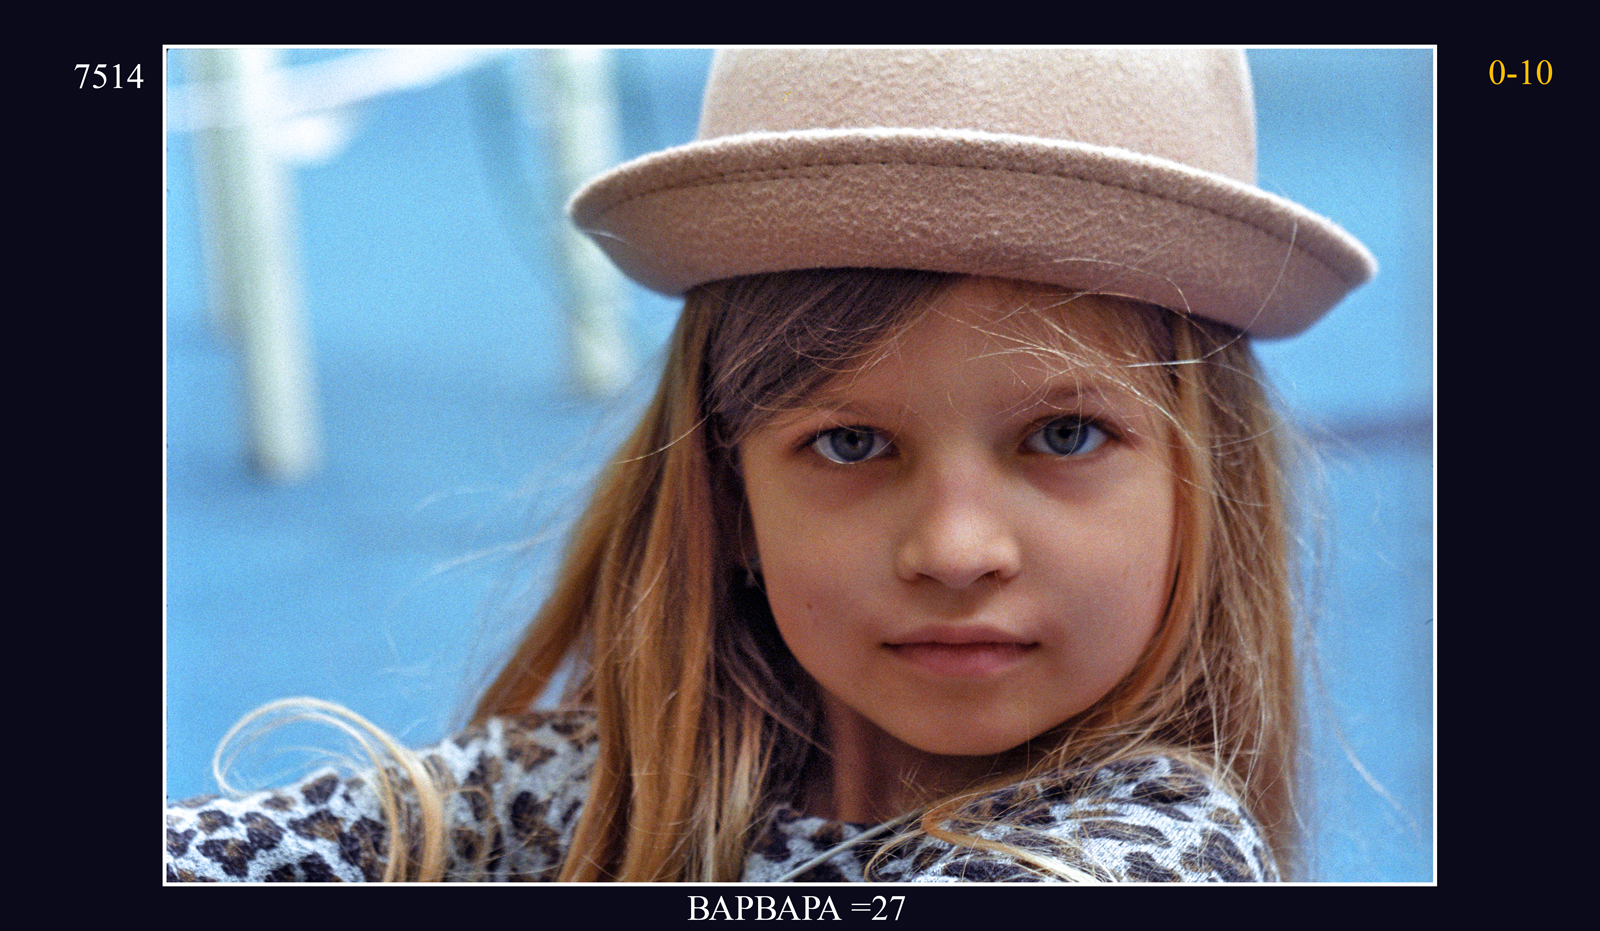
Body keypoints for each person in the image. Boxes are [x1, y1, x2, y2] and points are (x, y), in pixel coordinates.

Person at [165, 47, 1375, 883]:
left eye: (1063, 436)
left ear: (1203, 485)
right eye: (849, 442)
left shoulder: (1154, 856)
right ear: (727, 490)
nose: (956, 549)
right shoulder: (582, 787)